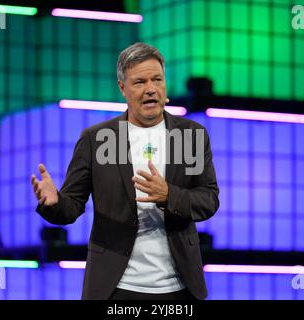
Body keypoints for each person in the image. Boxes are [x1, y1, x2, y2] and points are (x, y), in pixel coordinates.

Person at [31, 42, 219, 300]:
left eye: (157, 79)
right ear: (122, 88)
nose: (151, 89)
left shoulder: (191, 136)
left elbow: (208, 200)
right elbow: (71, 207)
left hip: (179, 287)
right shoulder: (96, 139)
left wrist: (169, 195)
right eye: (140, 82)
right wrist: (53, 202)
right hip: (115, 287)